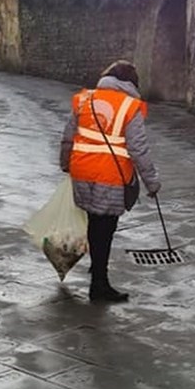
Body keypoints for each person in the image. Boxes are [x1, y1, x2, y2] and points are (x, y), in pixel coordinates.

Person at [60, 60, 161, 302]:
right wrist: (152, 182)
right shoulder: (130, 106)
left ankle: (98, 270)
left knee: (95, 225)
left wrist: (65, 163)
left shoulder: (85, 99)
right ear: (131, 82)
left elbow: (68, 135)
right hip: (110, 176)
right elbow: (138, 149)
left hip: (82, 172)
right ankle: (99, 285)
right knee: (105, 229)